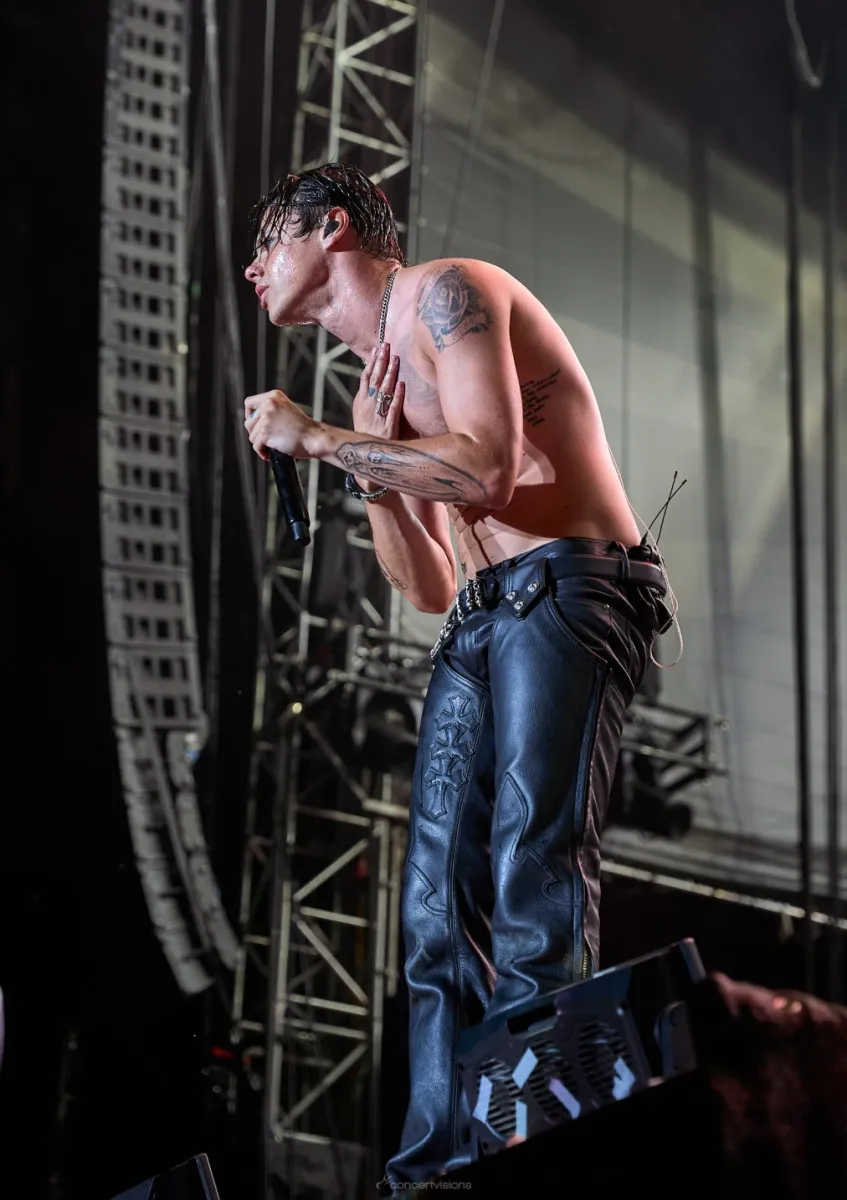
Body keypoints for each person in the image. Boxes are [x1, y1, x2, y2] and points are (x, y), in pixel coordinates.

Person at [243, 162, 673, 1184]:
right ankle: (439, 1169)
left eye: (269, 241)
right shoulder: (375, 384)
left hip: (567, 585)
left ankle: (537, 1145)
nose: (253, 268)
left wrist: (323, 440)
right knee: (434, 912)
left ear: (332, 229)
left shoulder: (447, 292)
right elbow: (429, 586)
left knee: (532, 868)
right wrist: (365, 460)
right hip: (479, 617)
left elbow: (485, 467)